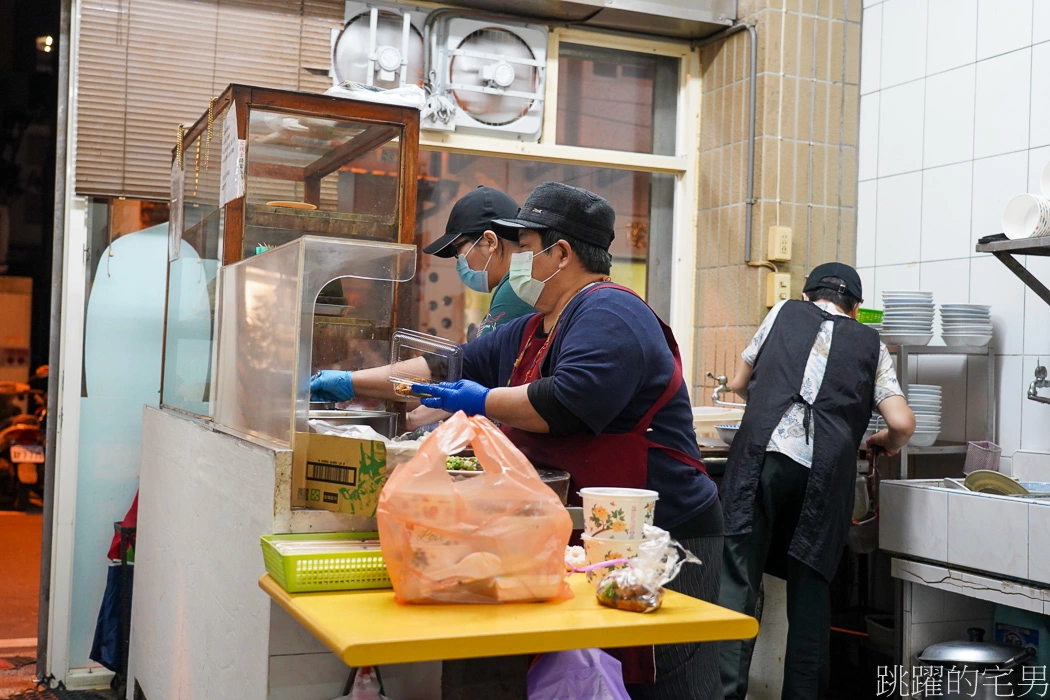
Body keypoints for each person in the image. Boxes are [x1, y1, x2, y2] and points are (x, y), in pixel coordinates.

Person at [312, 182, 723, 700]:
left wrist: (482, 401)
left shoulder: (611, 313)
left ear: (562, 253)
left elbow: (564, 403)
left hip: (663, 538)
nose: (519, 260)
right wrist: (352, 382)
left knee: (666, 682)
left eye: (526, 247)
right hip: (593, 536)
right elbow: (448, 367)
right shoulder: (535, 326)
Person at [717, 263, 916, 700]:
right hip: (824, 473)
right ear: (857, 308)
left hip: (762, 459)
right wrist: (883, 441)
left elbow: (737, 382)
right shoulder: (871, 343)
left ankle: (725, 693)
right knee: (809, 589)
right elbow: (902, 421)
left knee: (740, 580)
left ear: (807, 296)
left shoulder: (783, 313)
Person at [423, 185, 536, 338]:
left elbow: (485, 360)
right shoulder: (523, 278)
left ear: (490, 241)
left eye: (457, 250)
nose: (459, 263)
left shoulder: (518, 286)